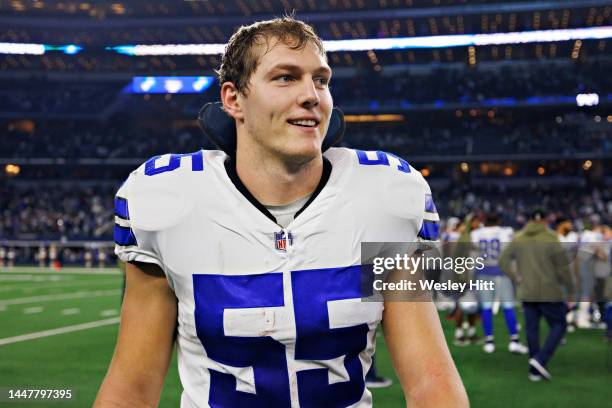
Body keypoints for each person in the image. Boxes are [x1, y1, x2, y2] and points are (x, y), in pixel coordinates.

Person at [94, 17, 468, 408]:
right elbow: (131, 388)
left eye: (321, 80)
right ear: (233, 99)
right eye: (286, 78)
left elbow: (431, 380)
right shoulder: (170, 202)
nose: (312, 95)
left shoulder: (384, 196)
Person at [499, 209, 574, 382]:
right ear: (546, 220)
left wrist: (515, 276)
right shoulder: (551, 238)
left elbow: (503, 260)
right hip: (549, 290)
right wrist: (570, 290)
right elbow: (563, 267)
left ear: (530, 220)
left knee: (532, 329)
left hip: (527, 290)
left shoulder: (519, 238)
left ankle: (534, 370)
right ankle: (540, 360)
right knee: (559, 324)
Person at [470, 213, 528, 355]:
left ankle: (489, 341)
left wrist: (470, 278)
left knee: (486, 308)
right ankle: (514, 341)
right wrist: (516, 274)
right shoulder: (506, 232)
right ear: (498, 221)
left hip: (483, 272)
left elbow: (473, 257)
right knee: (508, 307)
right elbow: (512, 255)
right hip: (502, 273)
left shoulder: (476, 234)